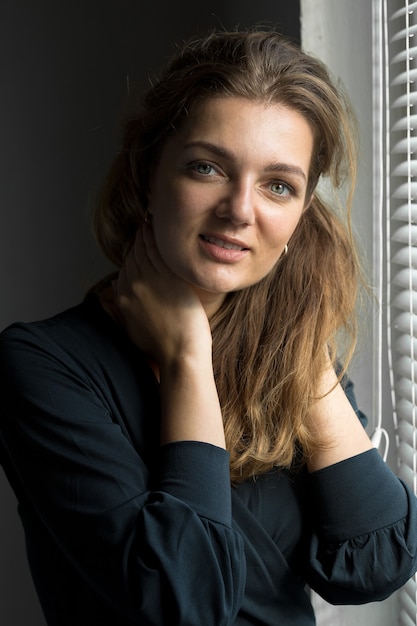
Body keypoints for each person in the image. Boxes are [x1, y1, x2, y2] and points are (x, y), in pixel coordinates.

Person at [0, 29, 416, 626]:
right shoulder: (44, 365)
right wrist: (188, 359)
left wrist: (302, 339)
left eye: (279, 186)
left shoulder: (292, 351)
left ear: (301, 213)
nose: (241, 210)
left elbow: (376, 563)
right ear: (149, 176)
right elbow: (183, 603)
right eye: (207, 168)